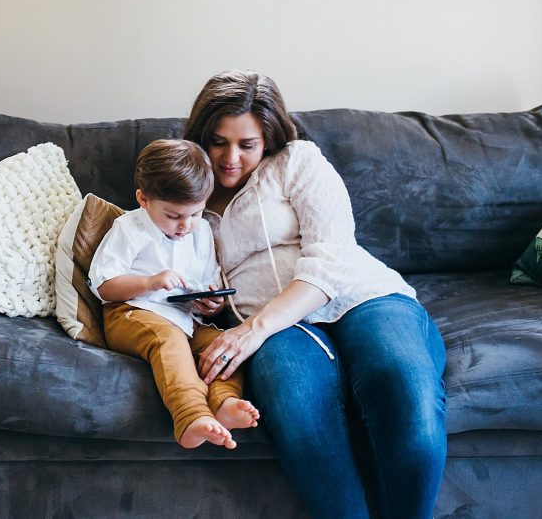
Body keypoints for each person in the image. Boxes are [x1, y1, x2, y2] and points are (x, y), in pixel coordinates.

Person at [183, 71, 447, 518]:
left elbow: (331, 257)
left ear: (268, 138)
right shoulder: (185, 190)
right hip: (275, 329)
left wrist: (252, 330)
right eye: (217, 142)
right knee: (299, 412)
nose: (230, 159)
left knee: (403, 388)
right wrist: (203, 298)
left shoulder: (298, 161)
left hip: (363, 298)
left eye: (246, 145)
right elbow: (174, 265)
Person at [89, 139, 260, 450]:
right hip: (131, 313)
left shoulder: (202, 232)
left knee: (224, 345)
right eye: (173, 216)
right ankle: (190, 416)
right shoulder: (128, 229)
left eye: (195, 213)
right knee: (168, 340)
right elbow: (104, 286)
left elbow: (204, 283)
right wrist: (149, 282)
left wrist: (209, 303)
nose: (185, 225)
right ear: (143, 199)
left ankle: (224, 402)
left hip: (185, 319)